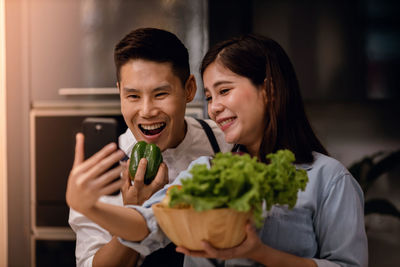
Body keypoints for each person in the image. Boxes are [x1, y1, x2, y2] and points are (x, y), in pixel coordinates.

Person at [67, 34, 368, 266]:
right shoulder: (206, 171)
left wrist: (262, 253)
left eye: (224, 91)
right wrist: (90, 206)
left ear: (270, 88)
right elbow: (147, 224)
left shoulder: (330, 178)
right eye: (211, 97)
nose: (214, 109)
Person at [67, 27, 232, 267]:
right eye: (133, 96)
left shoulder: (224, 141)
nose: (147, 111)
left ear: (189, 89)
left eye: (160, 94)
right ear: (119, 93)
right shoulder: (100, 172)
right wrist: (132, 211)